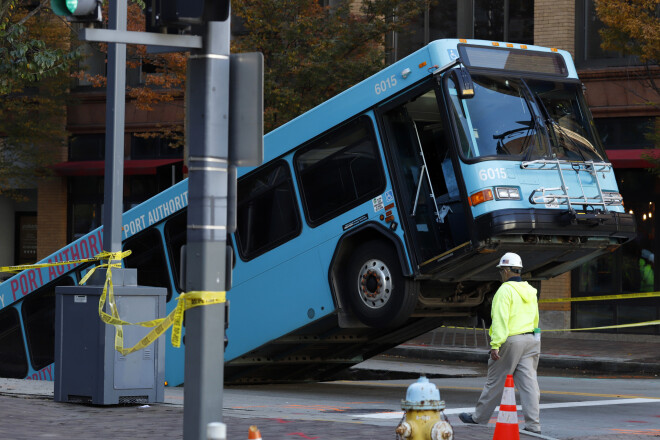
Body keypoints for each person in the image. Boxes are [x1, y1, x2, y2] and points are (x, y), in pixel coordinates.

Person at [459, 252, 542, 434]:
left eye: (501, 270)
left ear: (505, 270)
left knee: (495, 381)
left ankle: (479, 418)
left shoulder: (504, 290)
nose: (500, 274)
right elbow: (535, 318)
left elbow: (500, 320)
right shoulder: (530, 290)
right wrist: (536, 340)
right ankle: (533, 425)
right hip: (530, 340)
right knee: (529, 384)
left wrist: (495, 345)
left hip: (511, 341)